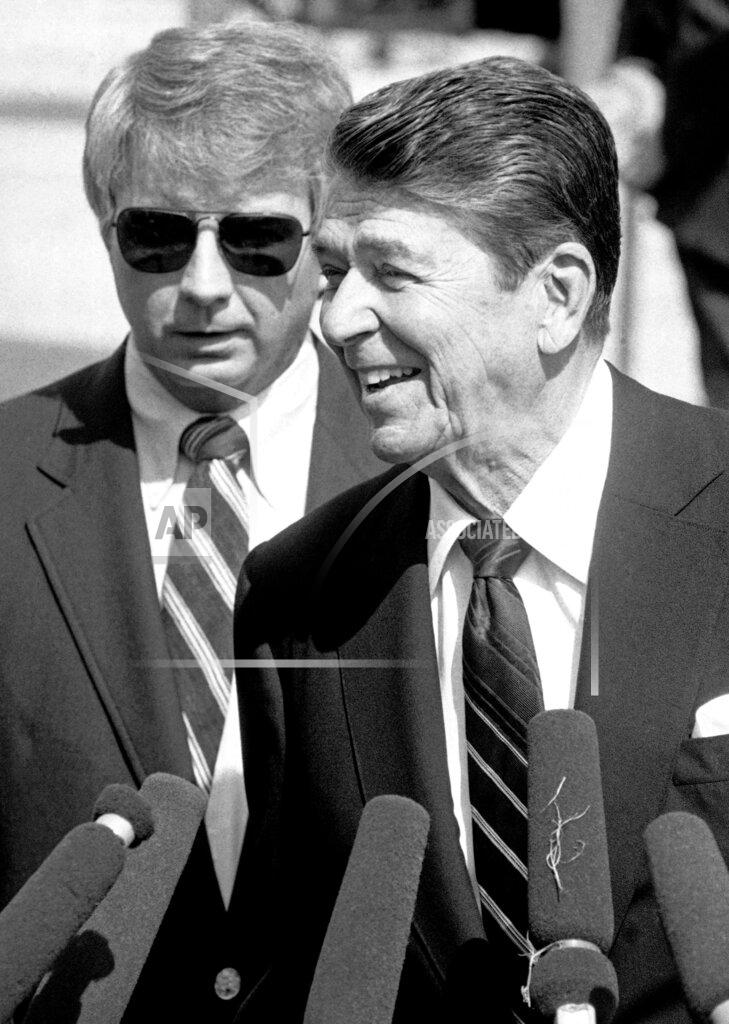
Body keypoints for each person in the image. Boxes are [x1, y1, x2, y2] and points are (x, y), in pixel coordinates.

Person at [234, 54, 729, 1023]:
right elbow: (296, 956)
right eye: (332, 272)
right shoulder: (299, 596)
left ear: (557, 294)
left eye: (391, 272)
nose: (337, 318)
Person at [0, 19, 383, 1022]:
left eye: (256, 240)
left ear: (329, 242)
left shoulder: (431, 476)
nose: (204, 287)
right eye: (159, 237)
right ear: (105, 232)